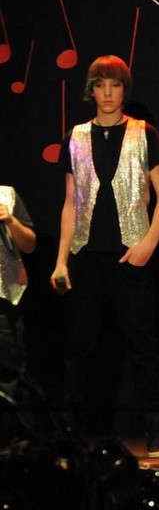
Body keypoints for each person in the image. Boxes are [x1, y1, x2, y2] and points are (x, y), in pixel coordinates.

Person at [49, 55, 159, 455]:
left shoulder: (143, 133)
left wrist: (148, 243)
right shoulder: (76, 136)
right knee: (80, 348)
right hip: (85, 255)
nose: (107, 93)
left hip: (129, 255)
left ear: (124, 90)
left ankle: (156, 431)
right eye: (100, 85)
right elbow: (71, 202)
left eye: (115, 85)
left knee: (143, 346)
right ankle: (74, 435)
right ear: (91, 90)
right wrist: (61, 261)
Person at [1, 185, 37, 442]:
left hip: (4, 298)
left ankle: (11, 440)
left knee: (8, 374)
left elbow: (30, 245)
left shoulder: (6, 194)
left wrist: (11, 220)